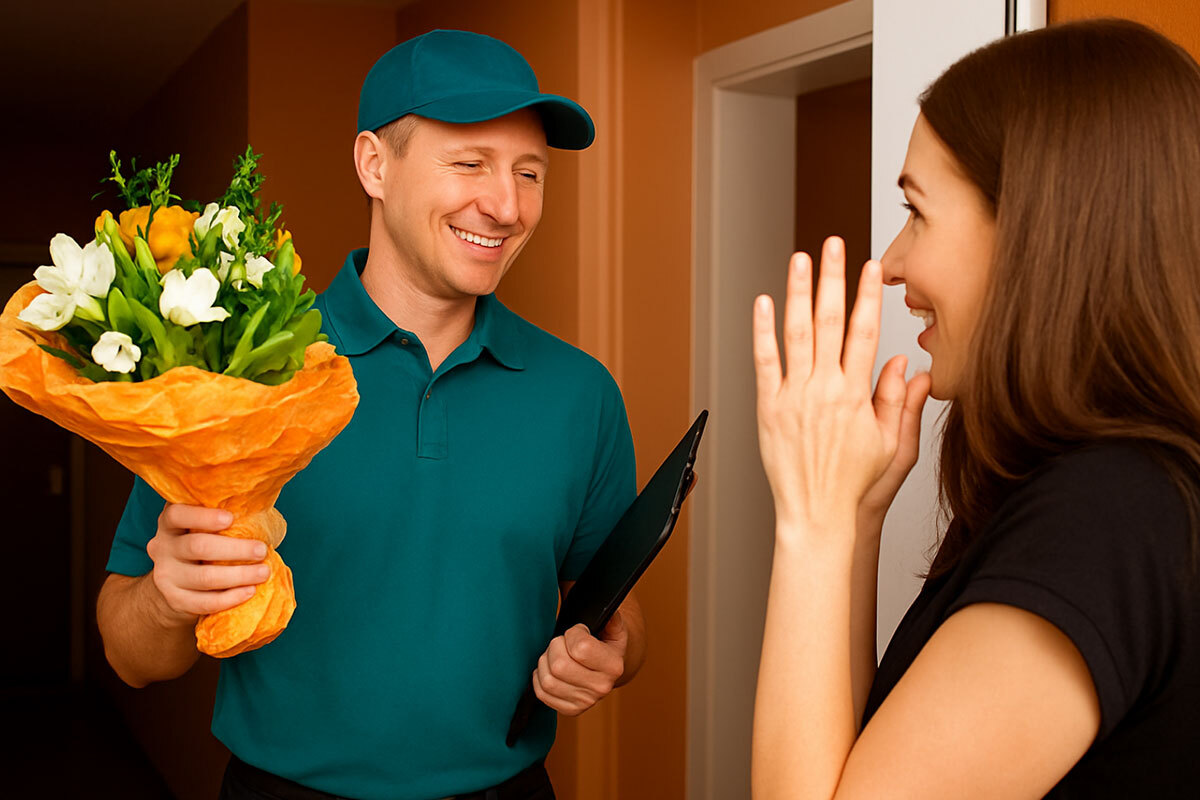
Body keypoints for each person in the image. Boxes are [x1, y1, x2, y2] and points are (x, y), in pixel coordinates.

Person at [96, 29, 646, 800]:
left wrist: (612, 645)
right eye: (469, 164)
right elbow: (129, 652)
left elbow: (612, 604)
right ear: (374, 165)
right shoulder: (240, 369)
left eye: (530, 172)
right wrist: (165, 597)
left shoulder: (580, 393)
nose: (507, 204)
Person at [750, 19, 1200, 799]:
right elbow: (852, 763)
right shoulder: (1076, 489)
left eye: (918, 212)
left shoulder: (1107, 521)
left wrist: (809, 519)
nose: (890, 263)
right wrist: (854, 521)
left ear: (1035, 232)